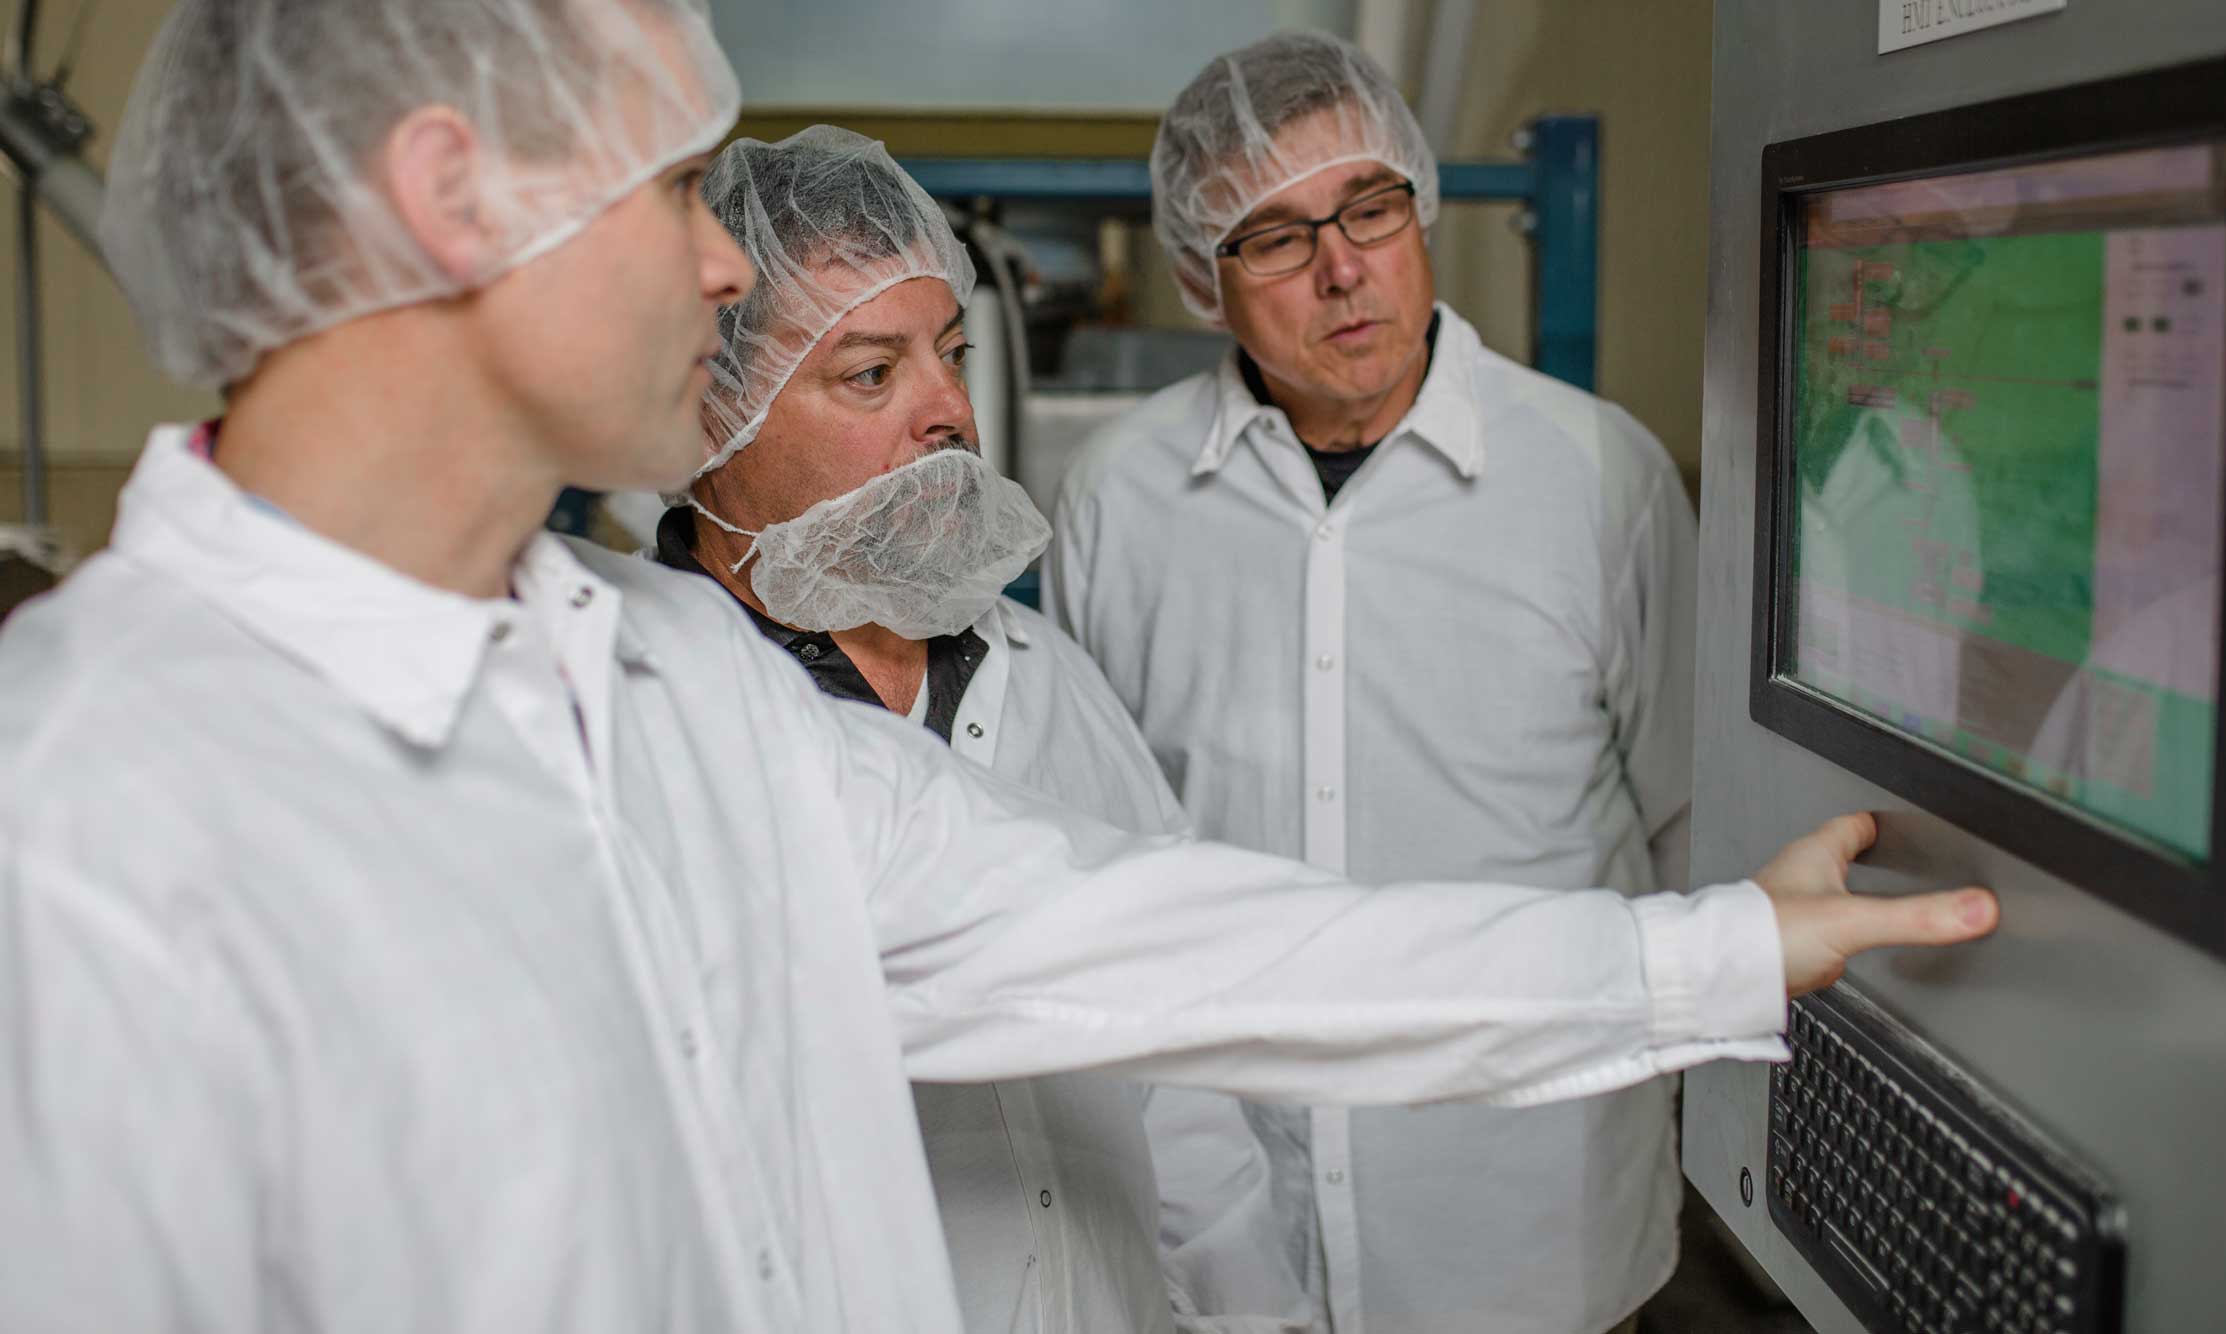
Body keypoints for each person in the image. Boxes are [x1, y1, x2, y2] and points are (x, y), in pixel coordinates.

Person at [0, 4, 1996, 1332]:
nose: (720, 267)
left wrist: (1715, 953)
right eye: (684, 189)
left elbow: (1186, 948)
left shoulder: (669, 703)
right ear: (455, 196)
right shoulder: (82, 826)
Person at [1046, 30, 1704, 1334]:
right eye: (1278, 237)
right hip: (1237, 1242)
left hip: (1538, 1233)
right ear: (1198, 273)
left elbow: (1691, 833)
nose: (1343, 267)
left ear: (1421, 207)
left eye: (1369, 206)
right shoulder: (1120, 499)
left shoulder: (1599, 479)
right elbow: (1100, 854)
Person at [655, 124, 1226, 1334]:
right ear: (712, 411)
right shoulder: (639, 714)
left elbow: (1182, 1054)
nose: (952, 412)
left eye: (951, 352)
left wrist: (1244, 1309)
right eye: (872, 373)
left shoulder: (1048, 675)